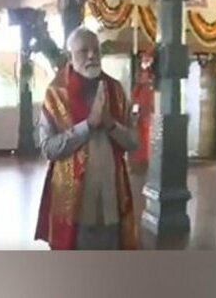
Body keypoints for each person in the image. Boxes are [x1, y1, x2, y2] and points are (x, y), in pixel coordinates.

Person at [35, 27, 139, 250]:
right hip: (74, 203)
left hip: (113, 197)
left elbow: (133, 142)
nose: (91, 56)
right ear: (69, 56)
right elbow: (49, 149)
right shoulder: (56, 93)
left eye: (96, 50)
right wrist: (88, 125)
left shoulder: (116, 90)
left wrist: (110, 124)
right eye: (83, 51)